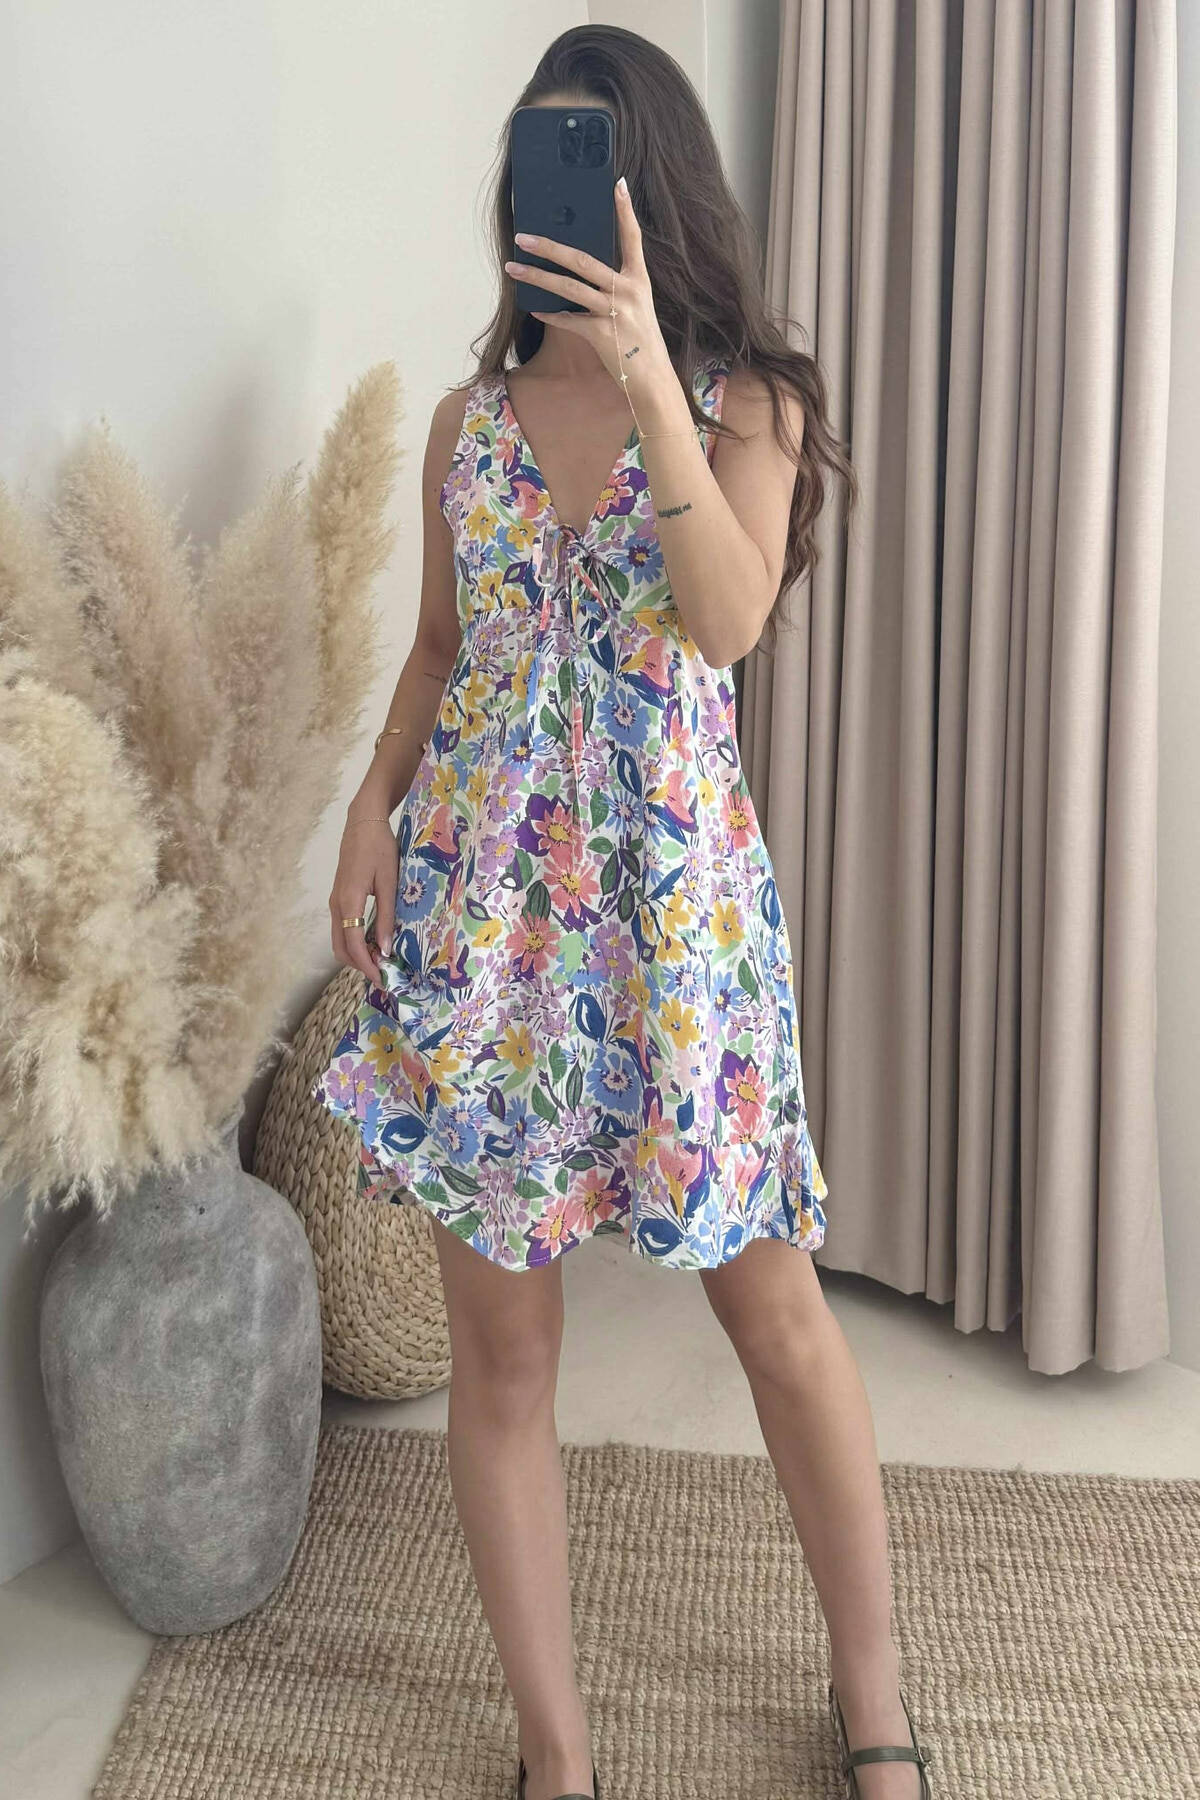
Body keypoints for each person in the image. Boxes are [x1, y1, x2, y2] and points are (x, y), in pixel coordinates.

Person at [312, 25, 934, 1800]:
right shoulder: (467, 430)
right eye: (533, 167)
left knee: (775, 1314)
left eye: (584, 164)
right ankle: (556, 1756)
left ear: (655, 189)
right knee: (503, 1357)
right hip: (485, 936)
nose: (553, 200)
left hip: (674, 942)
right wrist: (368, 809)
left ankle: (876, 1695)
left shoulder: (749, 406)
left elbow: (725, 623)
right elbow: (438, 654)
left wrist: (654, 371)